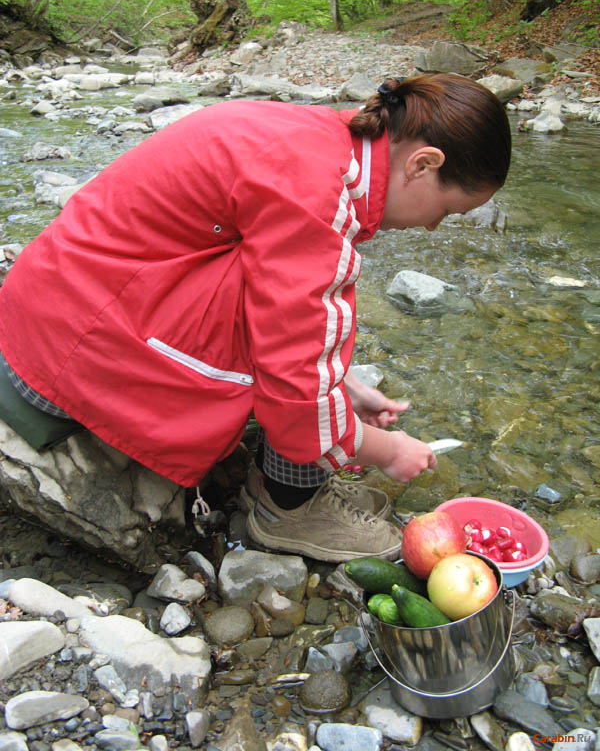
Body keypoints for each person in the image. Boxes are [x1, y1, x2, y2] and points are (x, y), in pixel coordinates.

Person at [0, 73, 511, 562]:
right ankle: (290, 507)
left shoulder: (322, 140)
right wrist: (380, 448)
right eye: (446, 211)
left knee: (316, 306)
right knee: (312, 322)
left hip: (50, 318)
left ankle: (280, 474)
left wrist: (347, 386)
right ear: (422, 164)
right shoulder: (319, 190)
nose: (431, 228)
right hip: (62, 361)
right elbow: (295, 375)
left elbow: (294, 307)